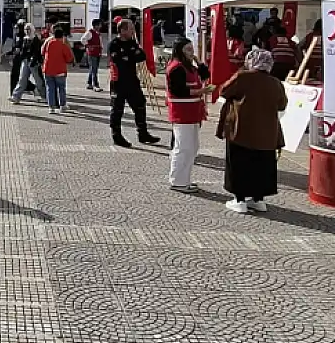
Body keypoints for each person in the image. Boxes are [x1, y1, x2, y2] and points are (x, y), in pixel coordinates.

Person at [218, 48, 288, 213]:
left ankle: (240, 199)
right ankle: (258, 199)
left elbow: (224, 91)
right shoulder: (275, 83)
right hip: (267, 133)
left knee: (239, 163)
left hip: (242, 129)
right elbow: (282, 104)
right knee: (262, 165)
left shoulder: (243, 77)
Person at [165, 38, 209, 194]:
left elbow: (205, 74)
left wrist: (198, 61)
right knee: (183, 147)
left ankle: (184, 179)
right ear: (180, 50)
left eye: (192, 49)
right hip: (181, 112)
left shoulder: (189, 67)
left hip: (192, 112)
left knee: (192, 147)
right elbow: (178, 90)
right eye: (188, 49)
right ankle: (177, 181)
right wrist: (200, 92)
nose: (192, 52)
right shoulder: (176, 68)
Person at [108, 20, 159, 148]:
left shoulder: (132, 43)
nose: (133, 32)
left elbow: (141, 56)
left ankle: (142, 133)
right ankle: (116, 135)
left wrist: (128, 56)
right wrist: (130, 56)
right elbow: (119, 60)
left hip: (132, 81)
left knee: (140, 105)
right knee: (117, 110)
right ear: (123, 30)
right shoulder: (114, 44)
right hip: (118, 82)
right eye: (131, 29)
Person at [39, 23, 74, 114]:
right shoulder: (62, 45)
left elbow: (42, 52)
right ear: (62, 36)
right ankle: (62, 106)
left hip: (48, 69)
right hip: (60, 70)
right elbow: (69, 58)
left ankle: (51, 107)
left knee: (50, 88)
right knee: (61, 88)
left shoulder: (48, 42)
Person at [10, 27, 44, 104]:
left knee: (38, 80)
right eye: (26, 29)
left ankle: (44, 96)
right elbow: (22, 50)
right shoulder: (25, 39)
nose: (27, 31)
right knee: (22, 79)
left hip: (34, 62)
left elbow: (37, 51)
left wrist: (34, 60)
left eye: (29, 29)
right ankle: (16, 96)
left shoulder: (35, 39)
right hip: (25, 61)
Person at [83, 21, 105, 92]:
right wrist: (88, 46)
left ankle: (89, 83)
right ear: (95, 26)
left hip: (97, 52)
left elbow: (100, 42)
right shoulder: (90, 32)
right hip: (92, 53)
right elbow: (83, 39)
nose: (100, 26)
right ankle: (95, 85)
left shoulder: (98, 33)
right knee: (94, 69)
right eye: (99, 25)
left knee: (93, 68)